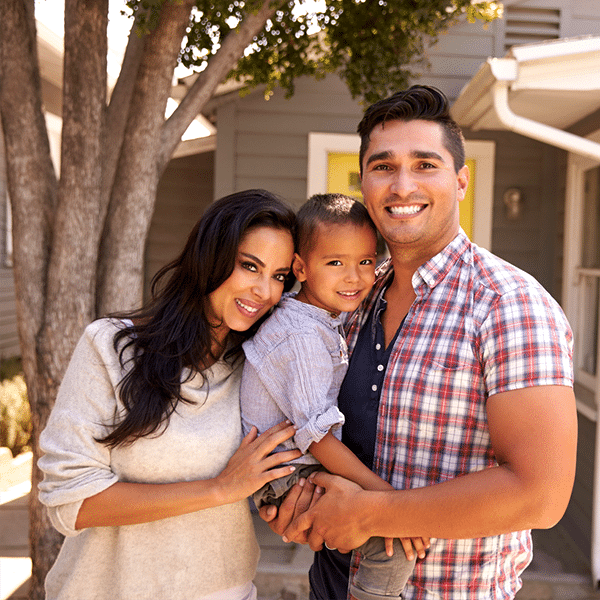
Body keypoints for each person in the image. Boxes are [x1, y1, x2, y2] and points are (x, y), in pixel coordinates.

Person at [262, 86, 578, 599]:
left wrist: (371, 513)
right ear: (364, 183)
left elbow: (540, 494)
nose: (402, 184)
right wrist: (295, 506)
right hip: (330, 584)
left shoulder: (507, 305)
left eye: (425, 165)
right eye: (383, 166)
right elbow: (295, 408)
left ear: (460, 181)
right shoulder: (353, 294)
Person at [38, 189, 303, 600]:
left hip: (225, 590)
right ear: (209, 257)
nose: (265, 291)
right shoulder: (111, 348)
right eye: (250, 266)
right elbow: (69, 502)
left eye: (279, 276)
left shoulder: (260, 369)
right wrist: (220, 489)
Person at [241, 193, 428, 600]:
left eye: (364, 262)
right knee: (391, 544)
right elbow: (318, 437)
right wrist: (387, 501)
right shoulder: (302, 336)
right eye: (336, 263)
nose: (355, 278)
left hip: (298, 463)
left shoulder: (320, 313)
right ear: (301, 268)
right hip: (287, 475)